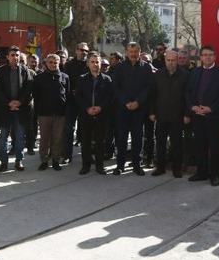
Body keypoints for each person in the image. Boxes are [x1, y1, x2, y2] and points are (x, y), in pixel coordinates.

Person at [185, 45, 219, 186]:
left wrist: (211, 108)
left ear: (215, 56)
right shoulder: (195, 72)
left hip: (213, 117)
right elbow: (188, 92)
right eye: (204, 55)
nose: (207, 57)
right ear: (201, 57)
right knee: (199, 146)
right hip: (197, 116)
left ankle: (215, 175)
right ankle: (201, 173)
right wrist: (192, 107)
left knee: (214, 147)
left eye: (210, 55)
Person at [111, 42, 154, 176]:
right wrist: (126, 102)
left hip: (139, 109)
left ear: (139, 52)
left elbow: (148, 88)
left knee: (137, 138)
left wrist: (138, 102)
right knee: (121, 138)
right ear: (126, 52)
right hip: (123, 108)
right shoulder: (120, 67)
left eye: (136, 52)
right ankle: (120, 165)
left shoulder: (146, 67)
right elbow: (116, 87)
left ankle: (137, 165)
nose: (133, 54)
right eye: (131, 52)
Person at [148, 49, 189, 178]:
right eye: (168, 60)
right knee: (160, 143)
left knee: (177, 143)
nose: (171, 63)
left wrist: (187, 114)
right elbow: (153, 95)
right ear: (165, 60)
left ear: (177, 60)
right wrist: (152, 112)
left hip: (178, 115)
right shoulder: (158, 74)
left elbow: (188, 97)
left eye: (173, 60)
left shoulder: (185, 75)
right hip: (161, 115)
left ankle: (177, 168)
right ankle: (160, 167)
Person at [0, 45, 33, 171]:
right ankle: (4, 162)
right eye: (12, 55)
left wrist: (19, 102)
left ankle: (19, 161)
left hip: (20, 110)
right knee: (3, 138)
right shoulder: (1, 71)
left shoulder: (25, 70)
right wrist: (9, 103)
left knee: (20, 137)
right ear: (7, 57)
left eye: (17, 55)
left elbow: (28, 89)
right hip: (5, 109)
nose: (15, 57)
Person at [76, 52, 114, 175]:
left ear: (100, 64)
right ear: (88, 64)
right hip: (86, 114)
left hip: (101, 115)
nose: (95, 64)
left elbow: (110, 97)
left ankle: (99, 166)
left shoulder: (107, 79)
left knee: (100, 142)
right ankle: (85, 166)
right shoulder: (82, 79)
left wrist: (100, 107)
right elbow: (78, 96)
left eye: (97, 62)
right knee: (86, 141)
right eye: (92, 62)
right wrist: (87, 108)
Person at [34, 53, 70, 170]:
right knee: (44, 138)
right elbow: (36, 96)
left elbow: (68, 95)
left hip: (60, 113)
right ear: (46, 63)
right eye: (51, 62)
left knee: (57, 138)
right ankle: (44, 160)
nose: (53, 64)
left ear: (59, 63)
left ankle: (55, 160)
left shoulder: (65, 77)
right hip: (44, 114)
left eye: (56, 62)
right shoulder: (39, 78)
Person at [63, 42, 89, 163]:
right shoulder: (68, 65)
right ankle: (67, 155)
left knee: (86, 130)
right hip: (71, 101)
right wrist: (72, 91)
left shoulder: (89, 64)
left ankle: (87, 155)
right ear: (76, 50)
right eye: (82, 50)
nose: (84, 52)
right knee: (69, 128)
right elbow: (65, 81)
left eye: (86, 51)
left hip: (85, 101)